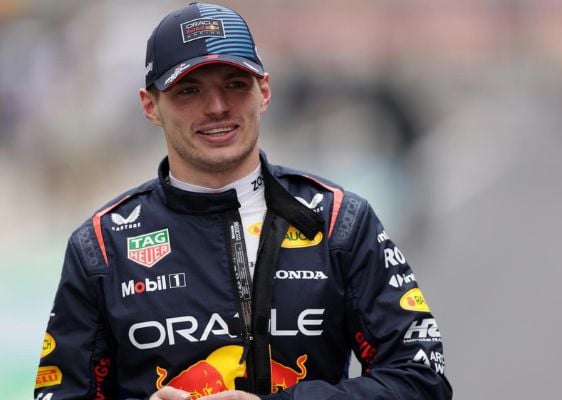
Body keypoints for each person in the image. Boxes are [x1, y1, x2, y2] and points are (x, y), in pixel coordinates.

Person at [34, 3, 452, 400]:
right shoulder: (103, 246)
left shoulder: (340, 221)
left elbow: (421, 380)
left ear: (264, 91)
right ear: (150, 106)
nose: (216, 107)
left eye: (234, 84)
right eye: (188, 90)